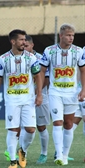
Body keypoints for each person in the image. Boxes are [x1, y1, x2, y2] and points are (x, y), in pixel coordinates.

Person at [0, 29, 43, 168]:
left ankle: (22, 151)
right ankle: (13, 161)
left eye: (25, 40)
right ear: (13, 41)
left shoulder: (31, 58)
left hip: (28, 99)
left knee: (31, 130)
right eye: (21, 40)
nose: (24, 42)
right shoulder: (3, 59)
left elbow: (38, 76)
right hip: (12, 99)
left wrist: (39, 94)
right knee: (13, 130)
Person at [39, 23, 85, 166]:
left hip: (72, 92)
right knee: (57, 122)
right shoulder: (49, 51)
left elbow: (83, 70)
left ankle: (65, 155)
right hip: (55, 92)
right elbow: (41, 71)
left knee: (68, 124)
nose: (71, 38)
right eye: (68, 35)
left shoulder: (78, 51)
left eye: (73, 35)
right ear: (61, 36)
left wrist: (83, 90)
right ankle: (58, 154)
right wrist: (39, 92)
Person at [24, 35, 50, 164]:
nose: (24, 48)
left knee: (41, 127)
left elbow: (46, 78)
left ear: (32, 45)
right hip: (25, 97)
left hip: (41, 96)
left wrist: (37, 92)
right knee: (25, 127)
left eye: (26, 46)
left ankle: (44, 154)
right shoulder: (20, 58)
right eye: (23, 46)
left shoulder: (40, 58)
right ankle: (22, 153)